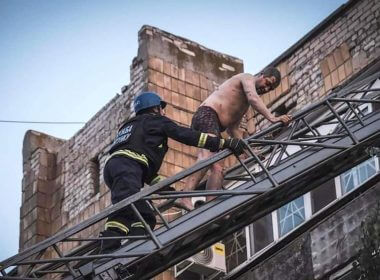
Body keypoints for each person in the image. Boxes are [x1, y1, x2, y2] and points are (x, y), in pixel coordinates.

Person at [99, 91, 244, 253]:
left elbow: (148, 174)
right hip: (127, 167)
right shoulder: (156, 121)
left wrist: (168, 190)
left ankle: (123, 245)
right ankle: (122, 249)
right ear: (155, 108)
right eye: (161, 108)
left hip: (115, 168)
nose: (164, 112)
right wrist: (223, 142)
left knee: (133, 208)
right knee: (137, 212)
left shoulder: (132, 127)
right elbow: (186, 135)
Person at [180, 67, 292, 210]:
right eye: (268, 83)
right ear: (262, 75)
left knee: (218, 167)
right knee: (206, 156)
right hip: (207, 115)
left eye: (270, 88)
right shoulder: (247, 78)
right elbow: (253, 97)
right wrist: (272, 118)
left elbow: (232, 129)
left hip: (215, 125)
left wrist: (249, 152)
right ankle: (185, 196)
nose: (266, 88)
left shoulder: (243, 104)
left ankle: (210, 206)